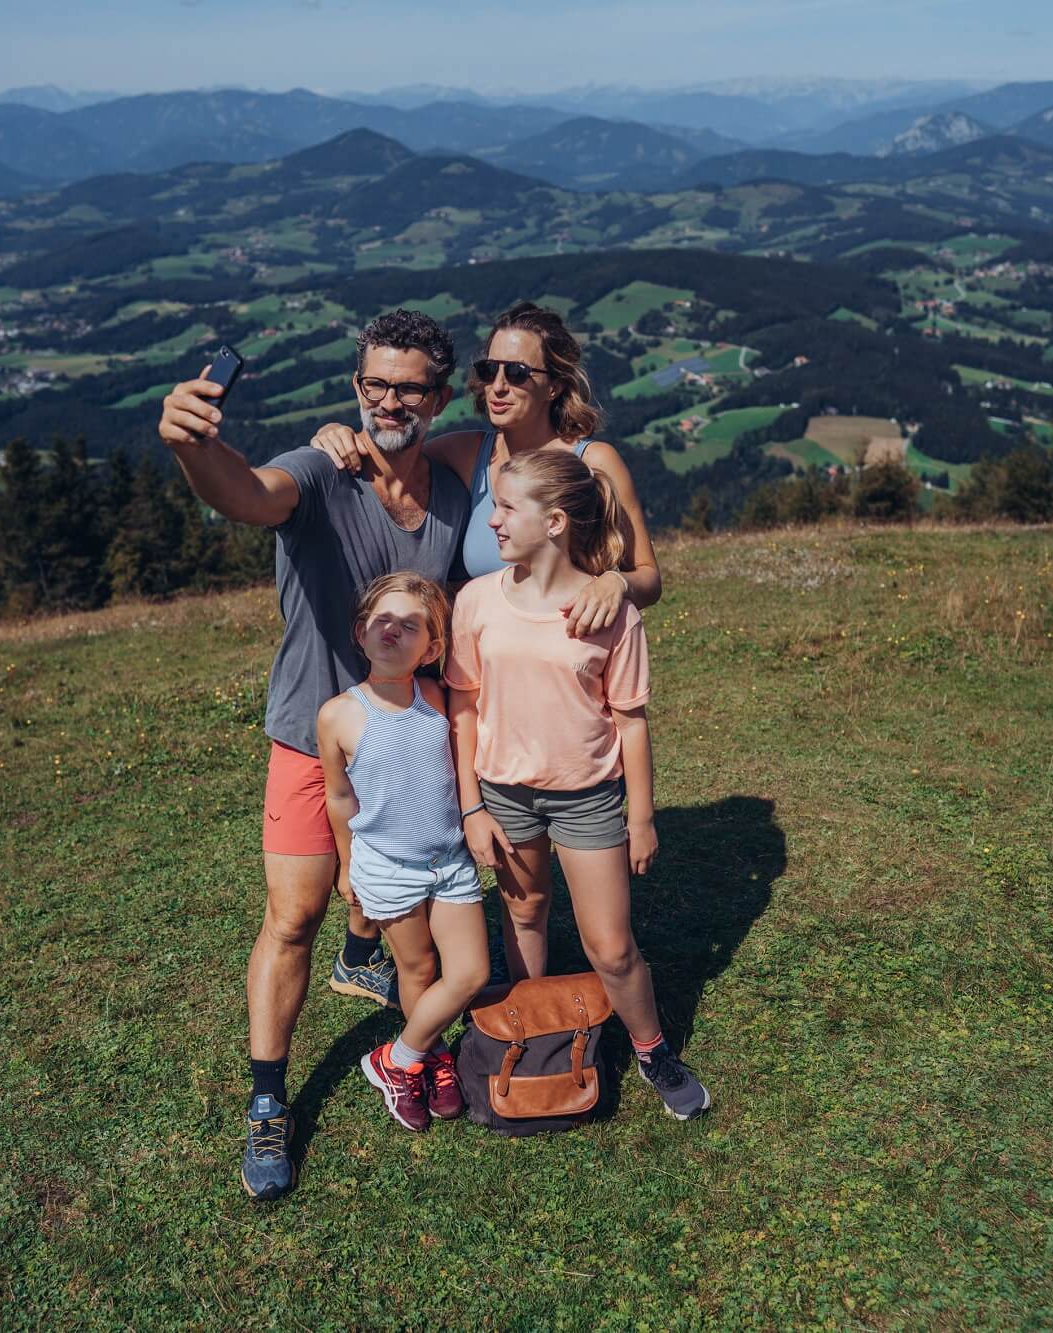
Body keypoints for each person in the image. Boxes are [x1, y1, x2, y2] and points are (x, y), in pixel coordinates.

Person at [157, 310, 468, 1200]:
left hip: (410, 740)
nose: (388, 402)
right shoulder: (322, 468)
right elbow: (248, 495)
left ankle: (371, 967)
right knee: (292, 916)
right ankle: (268, 1101)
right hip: (311, 732)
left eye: (408, 387)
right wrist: (191, 445)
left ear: (438, 397)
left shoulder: (454, 487)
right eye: (374, 384)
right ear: (356, 386)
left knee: (411, 897)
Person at [444, 449, 710, 1119]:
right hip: (503, 794)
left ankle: (652, 1050)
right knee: (525, 914)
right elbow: (463, 707)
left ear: (555, 522)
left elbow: (630, 720)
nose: (493, 521)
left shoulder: (612, 612)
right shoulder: (475, 601)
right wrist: (472, 806)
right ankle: (539, 1034)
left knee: (612, 947)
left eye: (507, 508)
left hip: (588, 798)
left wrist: (640, 816)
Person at [311, 300, 661, 634]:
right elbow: (388, 456)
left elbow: (648, 577)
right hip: (482, 663)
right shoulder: (464, 453)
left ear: (554, 386)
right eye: (489, 370)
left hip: (568, 655)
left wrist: (616, 583)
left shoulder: (592, 462)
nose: (498, 386)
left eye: (518, 374)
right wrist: (335, 434)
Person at [316, 573, 489, 1132]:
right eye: (382, 620)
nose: (392, 630)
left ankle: (397, 1058)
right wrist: (346, 865)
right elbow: (340, 797)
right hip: (387, 869)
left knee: (470, 972)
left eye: (410, 625)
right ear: (360, 633)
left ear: (432, 649)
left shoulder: (436, 698)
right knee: (417, 969)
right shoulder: (338, 714)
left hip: (450, 862)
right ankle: (431, 1057)